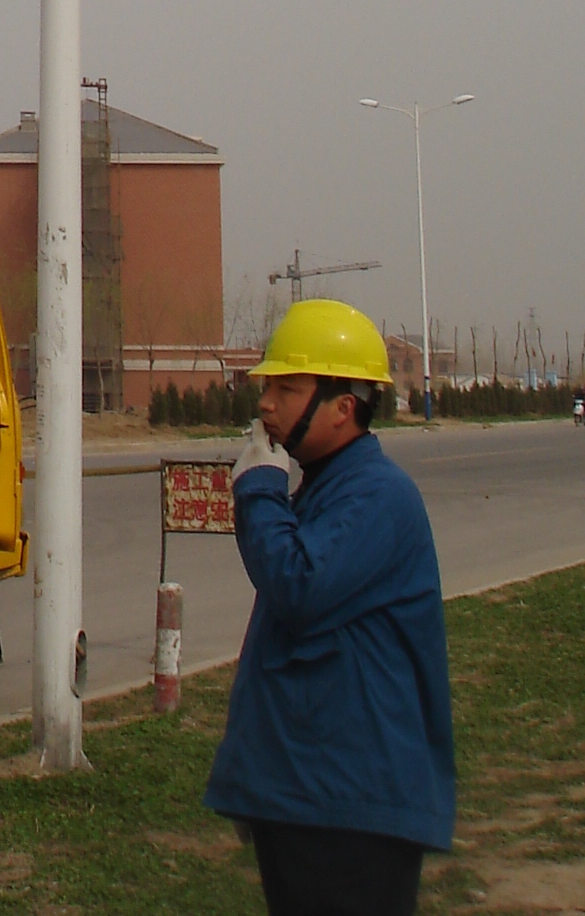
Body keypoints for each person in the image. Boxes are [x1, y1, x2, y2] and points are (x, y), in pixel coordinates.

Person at [205, 300, 453, 916]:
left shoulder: (378, 496)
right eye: (267, 387)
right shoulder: (328, 489)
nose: (265, 405)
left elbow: (297, 586)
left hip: (350, 807)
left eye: (286, 389)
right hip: (312, 794)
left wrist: (260, 489)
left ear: (344, 407)